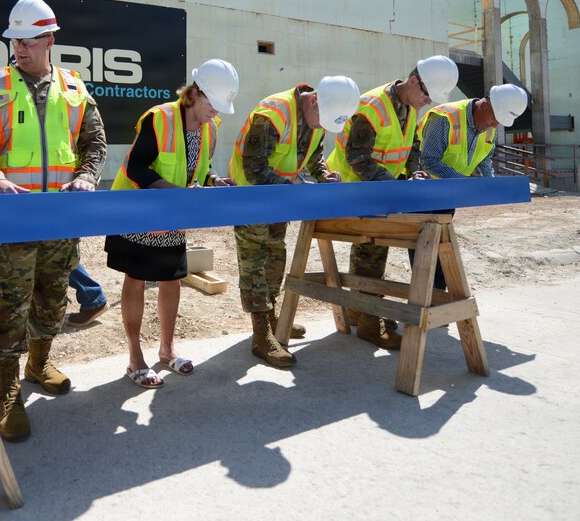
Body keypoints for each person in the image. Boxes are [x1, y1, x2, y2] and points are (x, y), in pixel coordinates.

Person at [0, 0, 106, 442]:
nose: (19, 49)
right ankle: (6, 391)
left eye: (27, 41)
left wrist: (86, 177)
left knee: (52, 296)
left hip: (61, 216)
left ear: (49, 40)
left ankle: (38, 362)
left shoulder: (74, 88)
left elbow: (96, 145)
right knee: (9, 302)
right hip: (13, 216)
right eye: (15, 41)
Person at [106, 59, 240, 388]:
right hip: (137, 214)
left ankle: (167, 350)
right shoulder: (160, 118)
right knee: (136, 279)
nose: (216, 113)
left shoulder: (212, 127)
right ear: (194, 94)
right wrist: (174, 194)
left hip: (172, 217)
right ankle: (135, 358)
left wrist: (212, 180)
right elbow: (137, 168)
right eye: (213, 104)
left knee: (172, 280)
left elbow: (198, 168)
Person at [326, 55, 459, 350]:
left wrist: (415, 172)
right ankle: (368, 320)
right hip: (352, 189)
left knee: (374, 249)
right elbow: (357, 158)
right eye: (426, 94)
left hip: (381, 191)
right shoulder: (371, 108)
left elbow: (411, 147)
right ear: (413, 81)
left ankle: (362, 309)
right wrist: (398, 186)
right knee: (371, 249)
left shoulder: (410, 108)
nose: (427, 102)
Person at [229, 76, 362, 367]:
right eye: (320, 120)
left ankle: (273, 318)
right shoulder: (273, 114)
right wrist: (294, 190)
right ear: (313, 100)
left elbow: (314, 156)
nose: (320, 127)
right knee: (255, 263)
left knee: (276, 257)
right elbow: (254, 168)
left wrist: (323, 174)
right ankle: (260, 334)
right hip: (251, 198)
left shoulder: (318, 116)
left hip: (280, 199)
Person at [406, 84, 529, 288]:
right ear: (484, 105)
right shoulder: (445, 119)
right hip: (420, 192)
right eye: (493, 119)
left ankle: (438, 295)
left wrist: (488, 182)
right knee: (424, 247)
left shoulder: (490, 128)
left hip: (449, 193)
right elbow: (429, 161)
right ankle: (427, 297)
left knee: (440, 245)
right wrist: (464, 184)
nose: (494, 125)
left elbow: (484, 159)